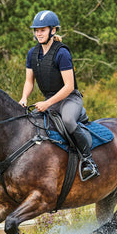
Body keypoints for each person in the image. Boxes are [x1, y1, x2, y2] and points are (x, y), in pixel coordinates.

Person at [19, 10, 99, 181]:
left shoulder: (62, 53)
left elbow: (69, 86)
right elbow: (29, 82)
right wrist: (24, 98)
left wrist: (47, 104)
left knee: (69, 121)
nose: (38, 33)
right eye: (36, 30)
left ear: (52, 30)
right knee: (28, 124)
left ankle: (88, 161)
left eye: (42, 30)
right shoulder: (32, 54)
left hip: (69, 98)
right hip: (49, 101)